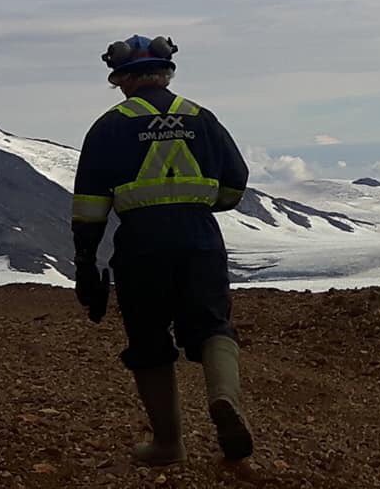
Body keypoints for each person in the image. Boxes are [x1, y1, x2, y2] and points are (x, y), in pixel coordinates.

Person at [71, 34, 253, 466]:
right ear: (167, 73)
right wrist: (200, 203)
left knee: (149, 339)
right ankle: (225, 400)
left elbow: (90, 206)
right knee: (213, 327)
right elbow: (234, 183)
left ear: (123, 80)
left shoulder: (109, 126)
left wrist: (86, 265)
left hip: (141, 243)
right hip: (201, 238)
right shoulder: (202, 118)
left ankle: (169, 444)